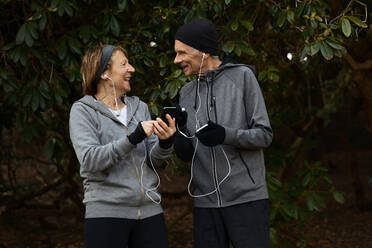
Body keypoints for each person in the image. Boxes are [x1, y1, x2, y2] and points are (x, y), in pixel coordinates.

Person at [173, 18, 273, 248]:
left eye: (181, 53)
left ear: (203, 52)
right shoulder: (186, 92)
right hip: (205, 204)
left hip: (246, 199)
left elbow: (264, 134)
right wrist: (178, 135)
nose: (176, 60)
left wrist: (226, 135)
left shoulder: (242, 77)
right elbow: (186, 154)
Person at [69, 44, 176, 248]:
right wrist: (133, 138)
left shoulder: (140, 107)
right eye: (124, 64)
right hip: (106, 214)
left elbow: (154, 162)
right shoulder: (83, 111)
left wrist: (165, 142)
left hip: (150, 212)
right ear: (104, 73)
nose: (132, 69)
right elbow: (90, 160)